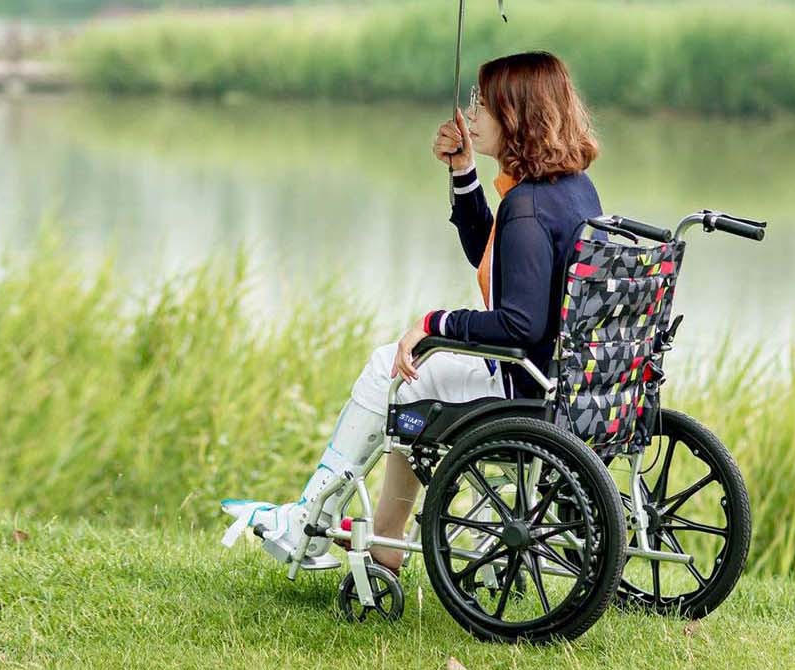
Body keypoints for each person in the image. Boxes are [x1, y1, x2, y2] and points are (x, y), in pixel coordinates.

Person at [221, 51, 603, 574]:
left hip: (522, 389)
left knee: (391, 367)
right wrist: (464, 172)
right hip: (563, 382)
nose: (471, 114)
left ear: (515, 115)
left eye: (482, 103)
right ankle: (384, 539)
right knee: (410, 390)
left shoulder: (528, 206)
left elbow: (519, 323)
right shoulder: (570, 188)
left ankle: (308, 520)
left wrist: (433, 325)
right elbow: (497, 258)